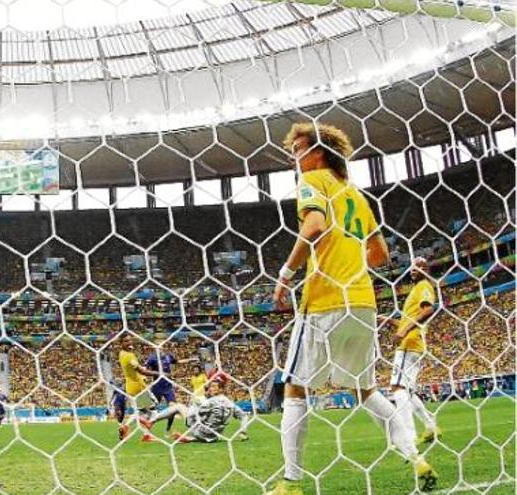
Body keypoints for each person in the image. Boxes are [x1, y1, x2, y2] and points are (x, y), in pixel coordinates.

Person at [267, 122, 436, 495]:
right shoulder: (356, 195)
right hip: (361, 302)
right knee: (365, 389)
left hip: (324, 300)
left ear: (319, 152)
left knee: (295, 390)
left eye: (297, 149)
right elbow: (380, 255)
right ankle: (415, 457)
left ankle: (291, 482)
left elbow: (312, 225)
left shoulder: (314, 181)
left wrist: (285, 273)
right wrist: (348, 252)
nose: (293, 158)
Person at [378, 257, 442, 446]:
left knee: (397, 389)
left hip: (409, 343)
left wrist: (404, 331)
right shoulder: (415, 290)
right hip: (414, 343)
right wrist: (390, 321)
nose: (414, 269)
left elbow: (428, 310)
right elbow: (408, 321)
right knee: (407, 391)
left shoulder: (424, 285)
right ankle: (431, 426)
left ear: (426, 270)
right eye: (412, 266)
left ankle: (409, 437)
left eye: (419, 266)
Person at [139, 379, 246, 443]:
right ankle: (189, 438)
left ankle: (151, 421)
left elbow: (197, 413)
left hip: (201, 432)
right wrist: (243, 432)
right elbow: (244, 416)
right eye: (210, 386)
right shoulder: (230, 403)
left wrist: (195, 403)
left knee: (179, 407)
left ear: (221, 389)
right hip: (214, 437)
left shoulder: (211, 402)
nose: (210, 389)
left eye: (214, 387)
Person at [144, 344, 198, 434]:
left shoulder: (168, 356)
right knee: (152, 409)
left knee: (173, 407)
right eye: (157, 346)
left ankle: (168, 428)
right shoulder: (152, 358)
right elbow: (145, 370)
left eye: (161, 346)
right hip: (157, 386)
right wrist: (157, 374)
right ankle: (146, 432)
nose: (160, 348)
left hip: (168, 387)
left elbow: (178, 362)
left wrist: (190, 360)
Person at [118, 336, 159, 442]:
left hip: (130, 386)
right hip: (138, 387)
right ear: (121, 343)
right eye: (126, 341)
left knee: (143, 412)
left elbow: (134, 369)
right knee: (153, 411)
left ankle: (126, 427)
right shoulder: (129, 356)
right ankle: (146, 435)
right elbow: (142, 372)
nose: (129, 342)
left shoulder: (122, 353)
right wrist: (159, 373)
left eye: (130, 340)